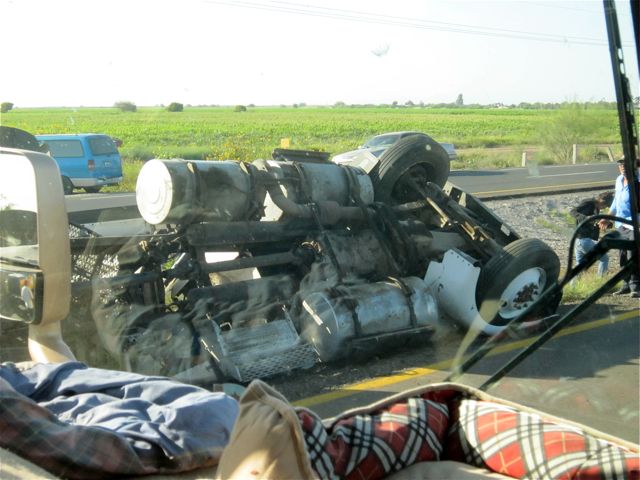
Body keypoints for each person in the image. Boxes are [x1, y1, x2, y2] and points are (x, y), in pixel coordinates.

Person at [598, 157, 640, 298]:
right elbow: (616, 202)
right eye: (620, 164)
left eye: (626, 164)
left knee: (633, 255)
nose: (622, 166)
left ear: (634, 166)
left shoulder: (638, 182)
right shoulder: (619, 180)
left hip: (634, 225)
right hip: (620, 225)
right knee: (622, 256)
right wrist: (607, 217)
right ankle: (625, 285)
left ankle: (636, 286)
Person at [570, 191, 614, 277]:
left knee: (579, 266)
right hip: (583, 240)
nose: (605, 207)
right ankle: (600, 280)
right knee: (604, 258)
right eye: (605, 205)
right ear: (601, 201)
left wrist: (607, 224)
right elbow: (572, 211)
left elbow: (594, 220)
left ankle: (574, 284)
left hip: (579, 240)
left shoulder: (596, 208)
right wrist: (586, 218)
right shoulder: (588, 202)